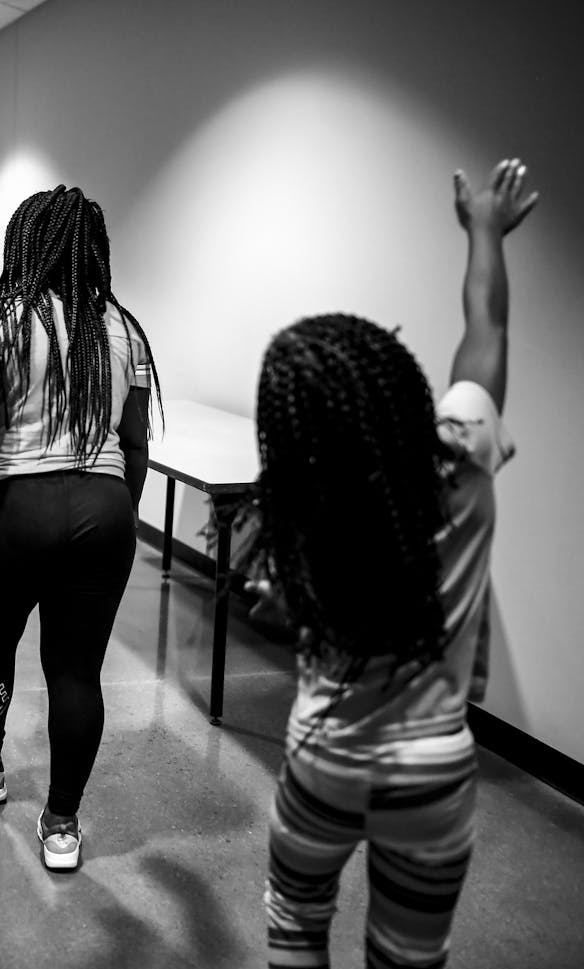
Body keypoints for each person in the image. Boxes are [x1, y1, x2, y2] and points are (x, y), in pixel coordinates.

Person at [256, 159, 537, 968]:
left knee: (297, 926)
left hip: (324, 757)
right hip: (434, 767)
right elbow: (486, 337)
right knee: (410, 955)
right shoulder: (462, 458)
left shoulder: (305, 507)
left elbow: (277, 609)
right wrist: (484, 230)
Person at [0, 185, 159, 872]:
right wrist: (116, 516)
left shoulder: (0, 319)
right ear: (95, 251)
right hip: (105, 509)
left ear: (23, 245)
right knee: (76, 670)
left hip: (19, 510)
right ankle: (61, 825)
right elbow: (137, 442)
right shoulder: (122, 329)